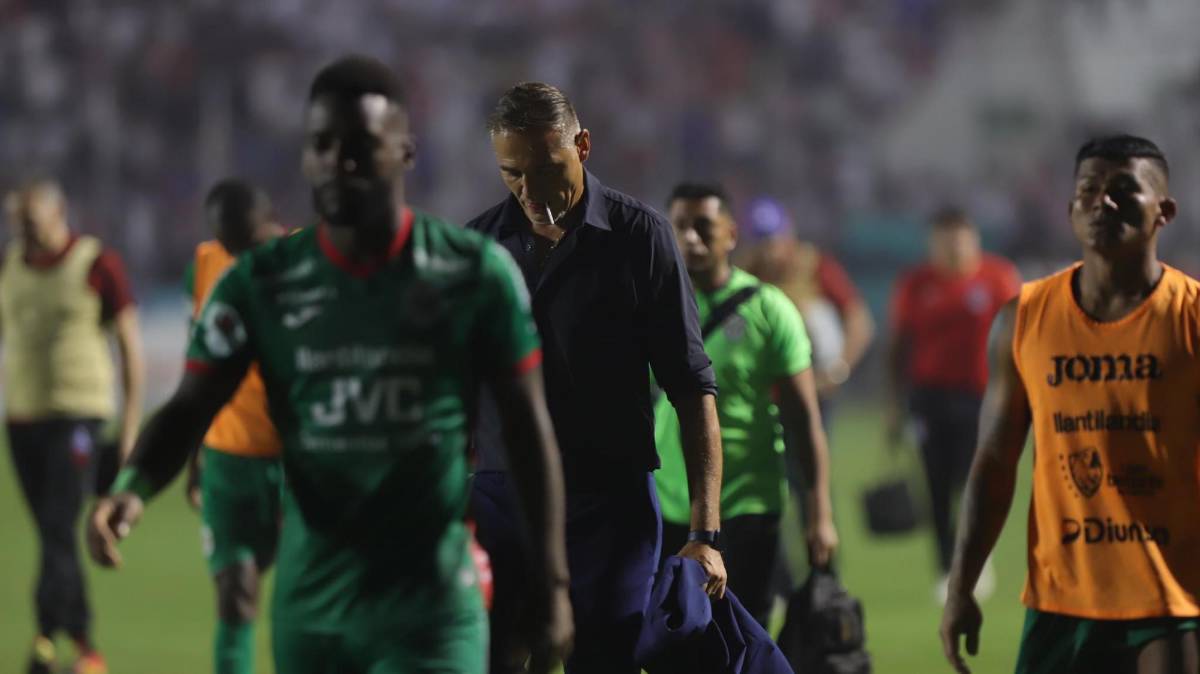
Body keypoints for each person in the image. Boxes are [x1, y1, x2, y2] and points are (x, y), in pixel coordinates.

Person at [86, 56, 572, 674]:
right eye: (323, 144)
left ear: (405, 152)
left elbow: (530, 436)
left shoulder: (473, 275)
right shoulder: (261, 284)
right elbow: (189, 405)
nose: (340, 161)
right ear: (307, 157)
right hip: (314, 613)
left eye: (362, 145)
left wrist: (554, 587)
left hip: (431, 609)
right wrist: (129, 491)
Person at [467, 82, 727, 674]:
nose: (529, 190)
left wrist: (706, 532)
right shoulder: (475, 250)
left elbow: (691, 387)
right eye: (512, 173)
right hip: (500, 501)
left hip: (608, 509)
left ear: (582, 145)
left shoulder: (641, 238)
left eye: (544, 168)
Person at [940, 135, 1200, 674]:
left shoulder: (1191, 318)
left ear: (1164, 212)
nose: (1103, 202)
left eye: (1125, 191)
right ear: (1070, 209)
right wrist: (961, 585)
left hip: (1173, 598)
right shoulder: (1025, 318)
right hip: (1062, 601)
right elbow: (994, 461)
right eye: (1089, 190)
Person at [654, 182, 839, 628]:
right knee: (670, 640)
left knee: (740, 632)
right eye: (680, 227)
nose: (692, 238)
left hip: (747, 500)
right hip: (670, 499)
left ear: (731, 234)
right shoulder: (654, 306)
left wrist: (819, 514)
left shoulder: (770, 309)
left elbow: (802, 421)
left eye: (704, 226)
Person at [2, 179, 144, 674]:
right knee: (51, 532)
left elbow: (130, 349)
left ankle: (55, 642)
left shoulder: (96, 265)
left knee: (59, 525)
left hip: (78, 414)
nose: (24, 234)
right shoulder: (9, 269)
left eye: (32, 223)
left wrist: (129, 431)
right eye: (17, 224)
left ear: (60, 214)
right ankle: (74, 643)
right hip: (21, 420)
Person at [885, 208, 1019, 601]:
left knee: (976, 481)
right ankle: (946, 569)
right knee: (936, 487)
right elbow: (897, 346)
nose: (952, 246)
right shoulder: (916, 284)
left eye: (959, 237)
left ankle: (977, 557)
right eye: (944, 238)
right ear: (933, 243)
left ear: (973, 239)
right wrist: (894, 404)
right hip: (928, 399)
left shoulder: (998, 278)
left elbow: (1021, 337)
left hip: (984, 396)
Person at [181, 179, 285, 674]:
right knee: (235, 592)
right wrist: (194, 453)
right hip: (227, 456)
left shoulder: (306, 260)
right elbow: (196, 366)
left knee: (306, 597)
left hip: (297, 459)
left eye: (244, 240)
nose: (235, 252)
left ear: (270, 224)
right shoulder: (204, 265)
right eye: (228, 242)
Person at [735, 198, 874, 399]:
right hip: (761, 390)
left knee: (816, 314)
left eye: (773, 241)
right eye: (759, 243)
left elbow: (860, 321)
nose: (768, 252)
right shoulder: (743, 278)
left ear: (788, 234)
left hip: (811, 387)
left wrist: (838, 370)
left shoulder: (815, 267)